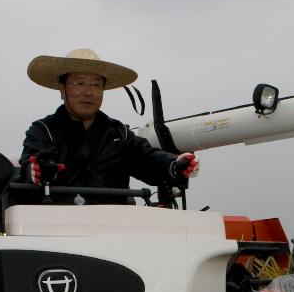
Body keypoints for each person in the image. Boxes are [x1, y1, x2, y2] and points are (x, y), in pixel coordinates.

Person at [21, 48, 198, 203]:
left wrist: (174, 164)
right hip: (53, 231)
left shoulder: (120, 134)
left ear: (103, 90)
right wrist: (36, 171)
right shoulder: (43, 131)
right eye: (79, 83)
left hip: (111, 231)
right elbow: (29, 168)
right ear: (62, 88)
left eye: (96, 84)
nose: (88, 92)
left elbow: (146, 158)